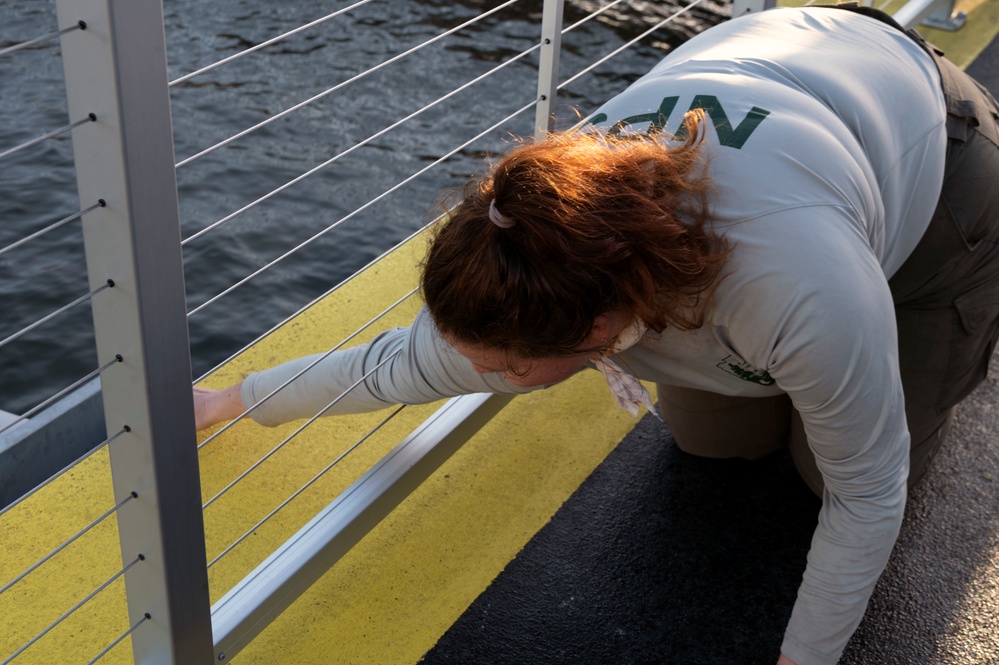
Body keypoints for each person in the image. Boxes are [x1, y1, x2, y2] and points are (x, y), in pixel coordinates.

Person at [194, 6, 999, 665]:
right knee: (715, 446)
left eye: (499, 368)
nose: (467, 370)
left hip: (934, 167)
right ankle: (812, 371)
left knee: (833, 472)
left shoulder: (794, 285)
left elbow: (866, 496)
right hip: (785, 95)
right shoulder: (533, 253)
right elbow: (389, 368)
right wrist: (228, 399)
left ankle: (917, 348)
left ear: (597, 328)